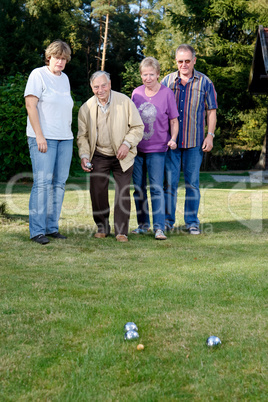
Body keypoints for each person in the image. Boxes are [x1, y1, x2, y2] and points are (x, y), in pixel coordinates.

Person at [77, 71, 144, 242]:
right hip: (99, 154)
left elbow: (137, 127)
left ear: (110, 84)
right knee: (97, 191)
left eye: (103, 85)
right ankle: (102, 226)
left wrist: (126, 144)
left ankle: (121, 231)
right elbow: (82, 136)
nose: (100, 90)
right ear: (92, 88)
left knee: (122, 192)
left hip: (123, 153)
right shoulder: (86, 108)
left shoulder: (124, 101)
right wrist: (84, 155)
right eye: (96, 87)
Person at [162, 44, 217, 234]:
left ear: (194, 60)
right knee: (169, 183)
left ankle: (192, 222)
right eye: (180, 61)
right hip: (172, 143)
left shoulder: (205, 82)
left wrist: (210, 135)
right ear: (175, 62)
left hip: (195, 142)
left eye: (187, 61)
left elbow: (211, 111)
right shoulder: (167, 81)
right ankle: (168, 221)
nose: (183, 65)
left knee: (192, 184)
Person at [24, 40, 73, 245]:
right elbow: (30, 105)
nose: (60, 62)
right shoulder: (38, 74)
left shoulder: (65, 79)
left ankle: (52, 227)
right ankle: (37, 231)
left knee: (59, 185)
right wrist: (40, 135)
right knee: (42, 184)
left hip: (65, 138)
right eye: (57, 58)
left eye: (63, 59)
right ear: (49, 57)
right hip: (43, 138)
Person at [131, 57, 179, 240]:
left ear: (158, 74)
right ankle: (143, 225)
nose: (148, 78)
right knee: (139, 188)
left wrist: (173, 138)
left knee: (157, 188)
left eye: (151, 74)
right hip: (137, 150)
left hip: (158, 149)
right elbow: (130, 120)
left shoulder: (167, 93)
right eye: (145, 74)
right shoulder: (136, 94)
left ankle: (159, 227)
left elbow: (174, 120)